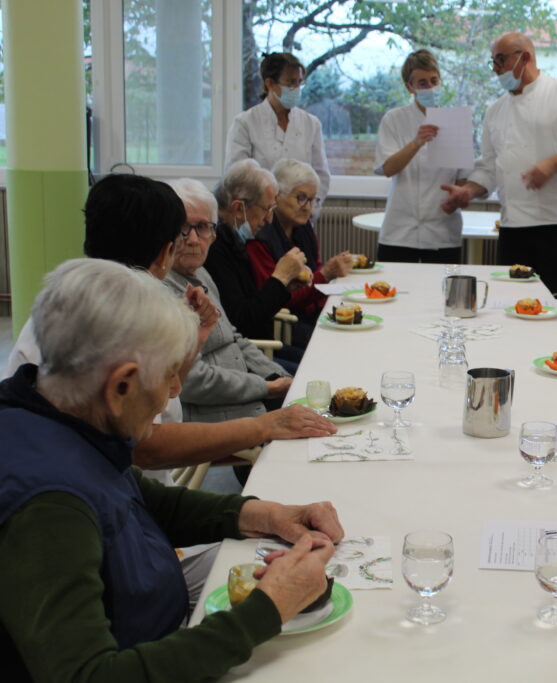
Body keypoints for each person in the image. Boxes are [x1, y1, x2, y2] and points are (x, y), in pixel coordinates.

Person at [0, 258, 344, 681]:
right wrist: (266, 611)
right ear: (121, 386)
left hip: (152, 600)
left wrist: (263, 514)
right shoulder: (48, 506)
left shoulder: (54, 412)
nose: (173, 394)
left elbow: (139, 498)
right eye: (168, 378)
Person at [2, 174, 335, 475]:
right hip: (120, 487)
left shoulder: (75, 293)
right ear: (166, 253)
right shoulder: (128, 314)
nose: (191, 241)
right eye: (182, 232)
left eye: (203, 228)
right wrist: (264, 426)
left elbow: (170, 391)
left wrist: (195, 341)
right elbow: (146, 447)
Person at [440, 32, 557, 294]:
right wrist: (468, 191)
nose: (495, 69)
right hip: (513, 228)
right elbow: (489, 167)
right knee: (512, 301)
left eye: (501, 60)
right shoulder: (495, 110)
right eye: (492, 62)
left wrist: (552, 164)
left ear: (524, 57)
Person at [167, 178, 294, 422]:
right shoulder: (164, 288)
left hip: (247, 390)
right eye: (183, 227)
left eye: (203, 227)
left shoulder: (201, 273)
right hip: (218, 413)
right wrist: (266, 387)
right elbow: (192, 381)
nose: (193, 239)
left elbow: (234, 337)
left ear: (213, 235)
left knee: (314, 389)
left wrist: (276, 375)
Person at [374, 49, 471, 264]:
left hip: (443, 232)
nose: (430, 87)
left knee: (441, 294)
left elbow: (463, 180)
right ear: (410, 87)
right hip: (399, 232)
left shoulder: (456, 122)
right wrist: (416, 142)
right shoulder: (394, 119)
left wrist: (459, 198)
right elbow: (388, 168)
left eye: (434, 81)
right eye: (423, 83)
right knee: (394, 292)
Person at [209, 159, 309, 345]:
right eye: (266, 209)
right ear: (239, 208)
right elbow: (243, 319)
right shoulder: (215, 246)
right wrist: (280, 277)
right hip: (248, 350)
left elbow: (256, 304)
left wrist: (285, 285)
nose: (269, 220)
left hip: (260, 342)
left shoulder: (236, 238)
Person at [248, 159, 352, 325]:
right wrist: (325, 275)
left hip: (310, 312)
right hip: (284, 323)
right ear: (277, 196)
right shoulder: (260, 236)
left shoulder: (303, 227)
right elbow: (276, 298)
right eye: (301, 198)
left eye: (312, 199)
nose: (308, 207)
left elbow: (315, 268)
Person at [225, 52, 330, 211]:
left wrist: (309, 209)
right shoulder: (245, 123)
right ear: (270, 84)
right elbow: (236, 177)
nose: (295, 88)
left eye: (299, 82)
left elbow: (321, 174)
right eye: (290, 82)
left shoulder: (311, 124)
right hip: (259, 214)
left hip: (300, 215)